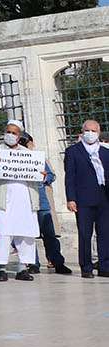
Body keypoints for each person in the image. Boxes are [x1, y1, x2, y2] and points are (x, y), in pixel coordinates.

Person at [0, 121, 40, 282]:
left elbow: (37, 173)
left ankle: (22, 268)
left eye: (14, 133)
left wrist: (42, 174)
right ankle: (2, 268)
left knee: (26, 235)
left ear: (19, 136)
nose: (10, 135)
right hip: (3, 199)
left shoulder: (28, 153)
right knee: (3, 234)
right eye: (8, 132)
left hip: (26, 199)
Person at [64, 118, 109, 278]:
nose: (90, 134)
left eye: (93, 131)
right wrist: (71, 198)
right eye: (87, 130)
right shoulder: (73, 151)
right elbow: (70, 177)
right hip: (83, 199)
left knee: (104, 233)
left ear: (98, 132)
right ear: (82, 132)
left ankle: (104, 266)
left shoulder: (105, 152)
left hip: (104, 197)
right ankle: (86, 267)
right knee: (85, 234)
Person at [24, 135, 72, 275]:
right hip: (24, 202)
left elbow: (51, 175)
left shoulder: (38, 158)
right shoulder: (14, 158)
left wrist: (45, 176)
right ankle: (33, 263)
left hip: (41, 201)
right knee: (28, 235)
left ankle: (57, 262)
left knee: (49, 234)